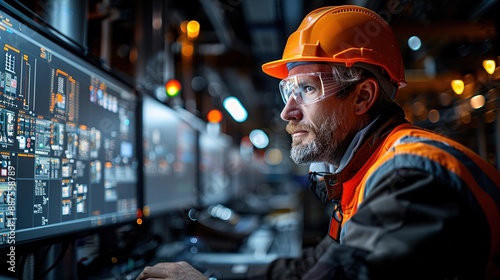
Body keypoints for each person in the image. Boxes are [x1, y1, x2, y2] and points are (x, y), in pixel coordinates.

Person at [137, 5, 500, 280]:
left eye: (307, 89)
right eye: (288, 92)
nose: (287, 112)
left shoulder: (409, 178)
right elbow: (316, 267)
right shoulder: (366, 173)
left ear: (362, 97)